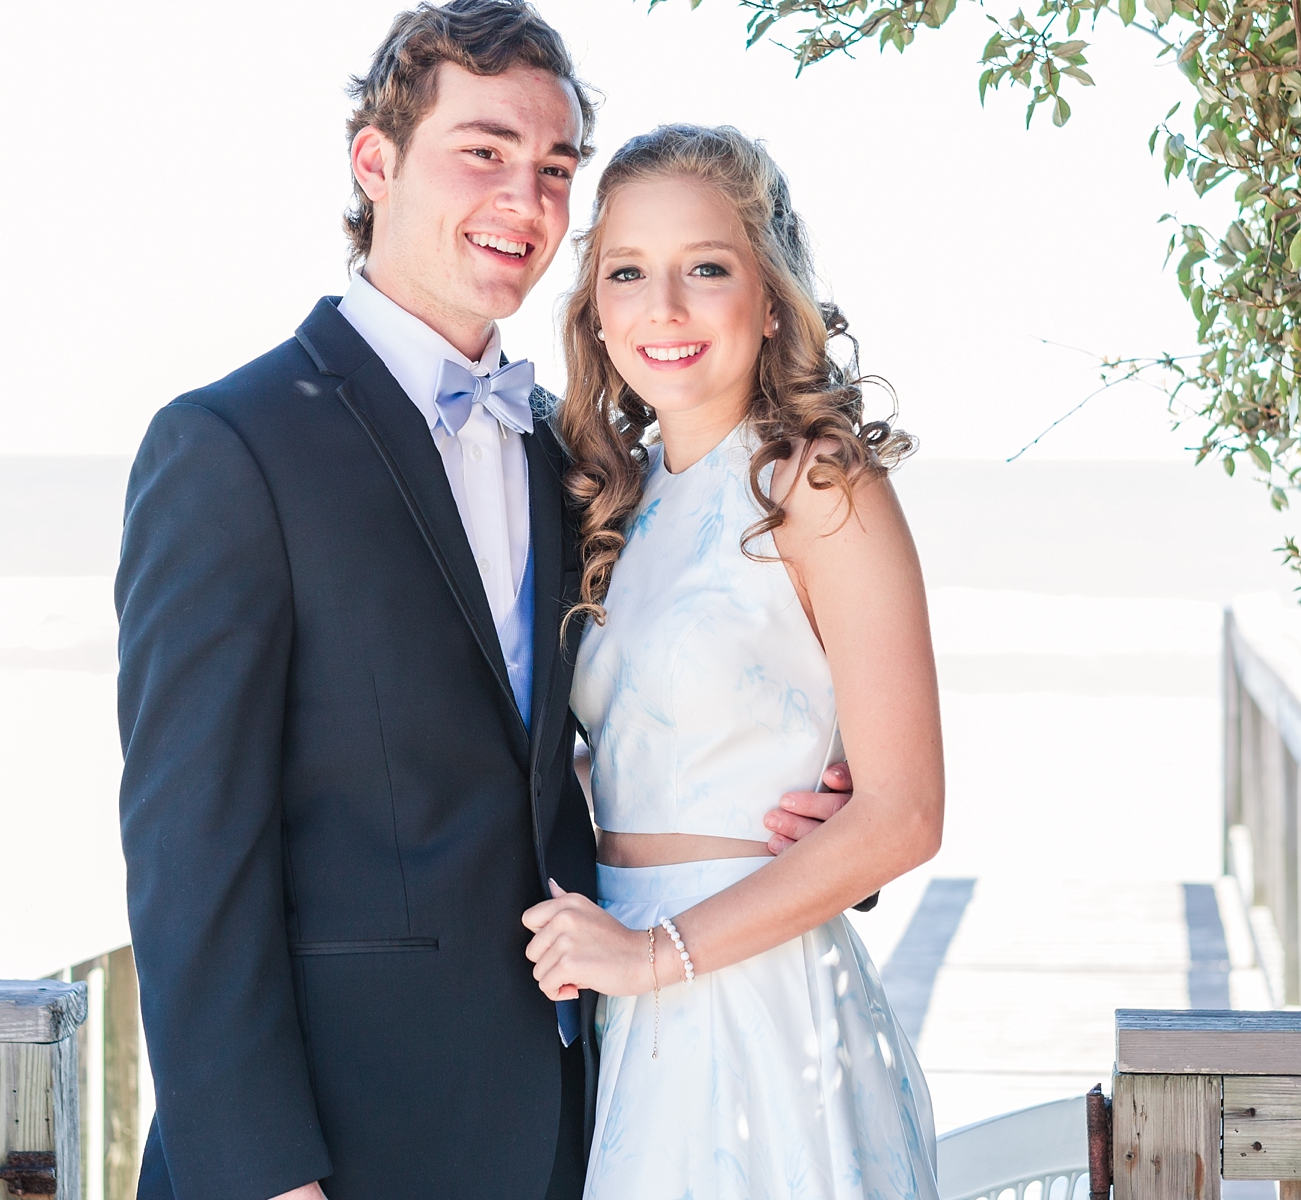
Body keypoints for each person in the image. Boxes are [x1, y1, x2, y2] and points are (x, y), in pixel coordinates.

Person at [114, 7, 849, 1199]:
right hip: (337, 1147)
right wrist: (262, 1174)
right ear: (375, 162)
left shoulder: (573, 456)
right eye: (485, 151)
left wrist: (825, 820)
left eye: (555, 169)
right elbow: (189, 854)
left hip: (575, 1118)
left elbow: (677, 696)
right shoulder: (230, 447)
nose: (527, 196)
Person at [522, 124, 947, 1199]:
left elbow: (904, 813)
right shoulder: (616, 497)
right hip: (621, 986)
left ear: (770, 300)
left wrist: (656, 954)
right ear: (597, 312)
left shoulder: (818, 483)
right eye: (628, 273)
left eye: (705, 268)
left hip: (745, 992)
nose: (663, 308)